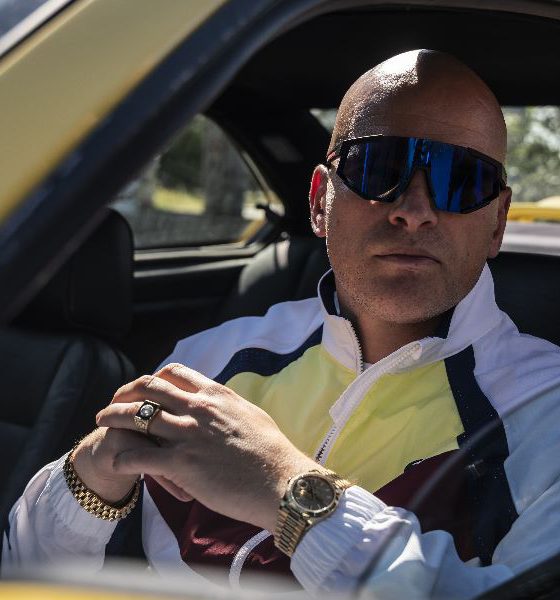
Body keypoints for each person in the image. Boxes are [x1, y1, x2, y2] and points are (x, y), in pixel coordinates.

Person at [4, 49, 560, 599]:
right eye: (379, 168)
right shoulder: (210, 360)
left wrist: (288, 490)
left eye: (461, 180)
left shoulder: (545, 413)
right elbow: (24, 570)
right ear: (319, 201)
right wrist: (91, 477)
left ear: (497, 222)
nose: (414, 210)